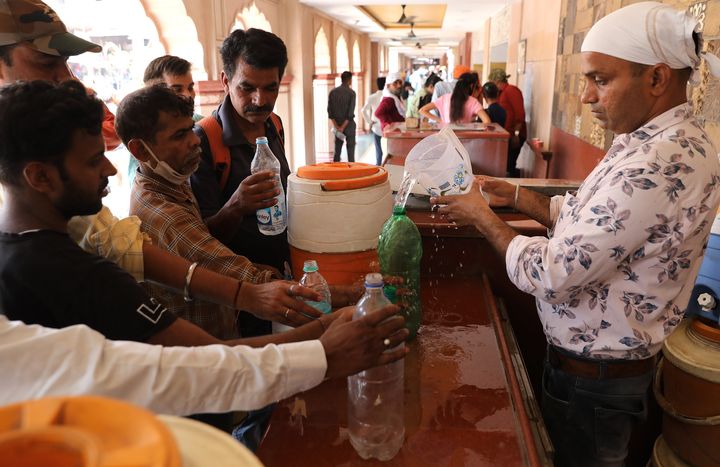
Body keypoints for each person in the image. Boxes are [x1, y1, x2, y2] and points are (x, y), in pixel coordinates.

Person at [432, 3, 720, 466]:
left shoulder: (661, 159)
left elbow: (556, 271)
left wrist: (483, 218)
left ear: (657, 79)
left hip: (597, 382)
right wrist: (515, 195)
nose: (586, 96)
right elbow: (591, 221)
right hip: (592, 371)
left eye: (600, 80)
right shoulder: (643, 139)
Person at [0, 79, 409, 399]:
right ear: (39, 176)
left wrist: (317, 322)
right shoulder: (70, 272)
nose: (110, 170)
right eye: (93, 160)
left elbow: (187, 271)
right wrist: (325, 346)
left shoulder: (60, 241)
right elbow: (204, 362)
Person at [0, 0, 293, 323]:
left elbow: (116, 243)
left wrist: (246, 294)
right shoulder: (171, 192)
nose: (66, 78)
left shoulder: (270, 128)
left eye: (66, 62)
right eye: (46, 62)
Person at [119, 84, 329, 339]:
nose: (195, 140)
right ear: (140, 150)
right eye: (180, 135)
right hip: (208, 345)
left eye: (190, 129)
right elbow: (249, 281)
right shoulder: (165, 216)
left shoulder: (169, 181)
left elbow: (203, 246)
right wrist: (345, 293)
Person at [127, 55, 205, 185]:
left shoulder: (202, 123)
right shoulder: (145, 135)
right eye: (177, 89)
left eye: (190, 87)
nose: (188, 95)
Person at [488, 67, 526, 177]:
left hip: (515, 135)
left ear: (497, 81)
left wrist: (516, 135)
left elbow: (520, 115)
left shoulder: (511, 91)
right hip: (507, 135)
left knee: (509, 166)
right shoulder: (501, 93)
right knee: (506, 166)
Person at [419, 72, 491, 124]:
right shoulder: (473, 101)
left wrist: (440, 120)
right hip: (465, 140)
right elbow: (487, 121)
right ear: (472, 86)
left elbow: (422, 110)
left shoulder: (445, 98)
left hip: (447, 139)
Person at [327, 70, 356, 162]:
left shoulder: (333, 92)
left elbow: (330, 112)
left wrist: (337, 127)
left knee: (337, 151)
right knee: (350, 151)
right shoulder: (351, 93)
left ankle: (335, 173)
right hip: (349, 126)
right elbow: (350, 113)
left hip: (337, 126)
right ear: (349, 80)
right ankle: (352, 172)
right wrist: (343, 127)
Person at [361, 76, 386, 165]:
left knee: (378, 149)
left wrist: (369, 122)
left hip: (376, 126)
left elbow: (363, 110)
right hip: (387, 126)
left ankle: (378, 166)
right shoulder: (388, 97)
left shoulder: (372, 97)